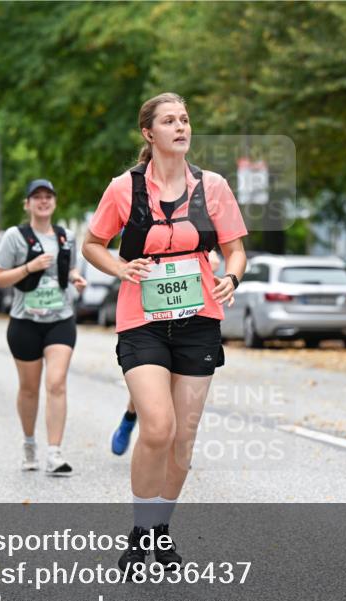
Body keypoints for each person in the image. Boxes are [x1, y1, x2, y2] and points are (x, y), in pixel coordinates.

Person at [82, 92, 247, 571]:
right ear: (148, 133)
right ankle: (139, 529)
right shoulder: (124, 188)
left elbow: (235, 250)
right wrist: (119, 267)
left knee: (184, 436)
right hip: (142, 320)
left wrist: (231, 277)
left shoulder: (213, 186)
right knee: (158, 424)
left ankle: (158, 531)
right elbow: (94, 243)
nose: (181, 127)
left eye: (185, 119)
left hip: (199, 318)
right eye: (169, 120)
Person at [0, 179, 87, 476]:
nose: (43, 201)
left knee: (56, 382)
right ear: (27, 204)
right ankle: (29, 443)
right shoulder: (15, 237)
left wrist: (74, 277)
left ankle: (55, 453)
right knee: (29, 388)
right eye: (37, 197)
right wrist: (28, 268)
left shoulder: (66, 237)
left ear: (55, 202)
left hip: (60, 318)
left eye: (48, 196)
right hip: (25, 322)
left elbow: (66, 267)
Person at [109, 249, 222, 456]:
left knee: (172, 387)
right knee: (154, 387)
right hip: (146, 319)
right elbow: (122, 253)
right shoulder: (138, 219)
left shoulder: (195, 221)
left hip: (187, 320)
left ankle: (170, 446)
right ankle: (131, 419)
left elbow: (210, 255)